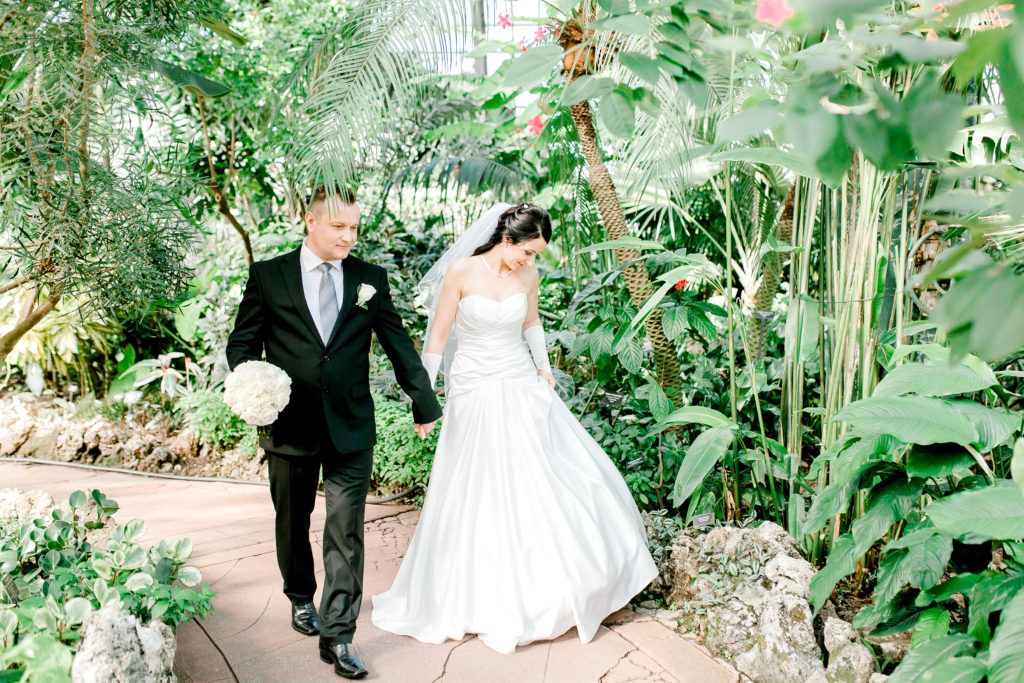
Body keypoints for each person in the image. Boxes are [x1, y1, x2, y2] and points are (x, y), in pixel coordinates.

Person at [371, 202, 657, 654]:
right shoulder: (462, 272)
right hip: (473, 389)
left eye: (536, 254)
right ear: (507, 240)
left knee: (539, 472)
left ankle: (554, 585)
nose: (531, 261)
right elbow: (438, 337)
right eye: (527, 252)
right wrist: (422, 398)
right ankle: (473, 592)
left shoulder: (528, 277)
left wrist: (543, 370)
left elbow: (532, 324)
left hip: (518, 381)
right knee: (476, 484)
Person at [225, 185, 441, 679]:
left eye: (354, 228)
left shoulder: (369, 279)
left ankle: (339, 634)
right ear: (310, 221)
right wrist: (255, 383)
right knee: (291, 519)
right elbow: (242, 344)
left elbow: (398, 343)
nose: (348, 236)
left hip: (350, 425)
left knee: (345, 529)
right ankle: (300, 597)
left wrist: (423, 400)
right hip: (289, 426)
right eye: (339, 227)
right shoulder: (269, 276)